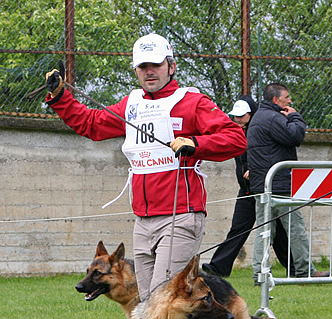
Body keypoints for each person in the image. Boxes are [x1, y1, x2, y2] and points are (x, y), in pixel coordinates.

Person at [44, 33, 246, 301]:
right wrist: (61, 98)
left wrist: (195, 143)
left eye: (156, 65)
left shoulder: (194, 102)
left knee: (165, 300)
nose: (149, 72)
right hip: (142, 220)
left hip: (180, 215)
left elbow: (235, 139)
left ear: (171, 67)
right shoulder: (131, 105)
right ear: (136, 70)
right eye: (143, 67)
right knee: (151, 301)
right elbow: (92, 124)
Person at [202, 95, 296, 277]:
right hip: (246, 190)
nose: (237, 119)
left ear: (251, 114)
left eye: (242, 115)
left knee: (277, 233)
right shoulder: (238, 132)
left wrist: (257, 170)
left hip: (262, 187)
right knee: (239, 228)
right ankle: (217, 267)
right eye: (235, 116)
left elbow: (270, 154)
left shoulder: (261, 130)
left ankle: (296, 268)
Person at [247, 82, 329, 283]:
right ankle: (305, 271)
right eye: (287, 98)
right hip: (279, 184)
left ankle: (260, 273)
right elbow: (295, 136)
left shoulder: (259, 117)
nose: (290, 101)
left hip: (262, 184)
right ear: (276, 100)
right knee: (296, 228)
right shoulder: (274, 118)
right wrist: (294, 116)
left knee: (265, 230)